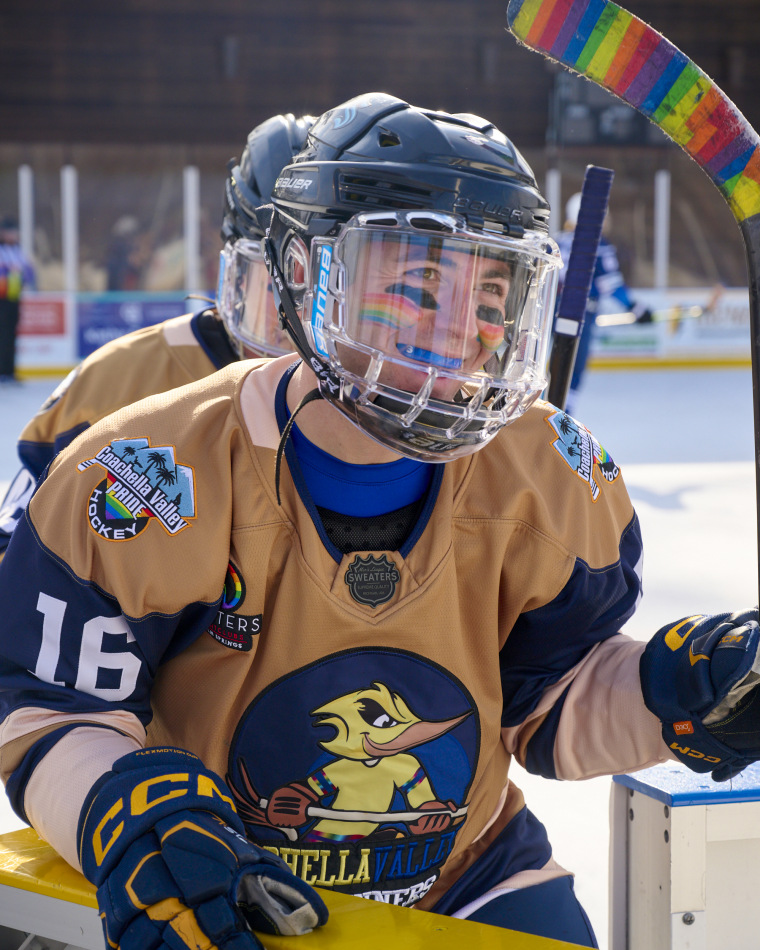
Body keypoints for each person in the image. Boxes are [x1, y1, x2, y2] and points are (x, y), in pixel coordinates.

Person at [0, 93, 758, 950]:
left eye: (491, 292)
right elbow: (53, 714)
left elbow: (544, 703)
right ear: (301, 269)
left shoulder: (549, 471)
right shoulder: (144, 475)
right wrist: (133, 820)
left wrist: (676, 694)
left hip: (471, 874)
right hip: (230, 881)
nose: (463, 332)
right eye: (415, 286)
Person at [0, 112, 312, 560]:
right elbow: (17, 555)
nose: (295, 327)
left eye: (317, 295)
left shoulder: (388, 417)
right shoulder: (116, 382)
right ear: (234, 278)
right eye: (274, 283)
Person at [555, 192, 652, 415]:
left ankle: (539, 415)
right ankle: (560, 423)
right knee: (572, 373)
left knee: (548, 369)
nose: (606, 221)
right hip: (580, 316)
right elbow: (612, 286)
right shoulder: (598, 245)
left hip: (551, 313)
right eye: (603, 216)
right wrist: (638, 310)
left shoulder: (558, 240)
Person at [0, 215, 36, 384]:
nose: (13, 236)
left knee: (11, 335)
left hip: (13, 298)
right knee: (2, 334)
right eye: (9, 232)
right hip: (1, 298)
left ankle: (9, 371)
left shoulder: (18, 251)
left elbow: (29, 273)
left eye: (15, 233)